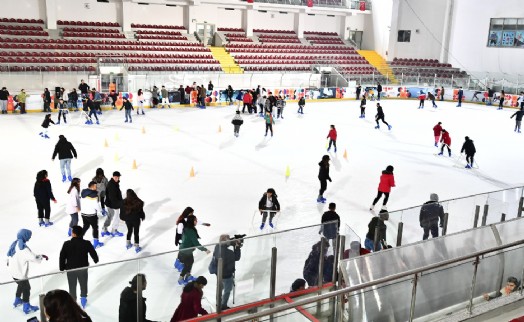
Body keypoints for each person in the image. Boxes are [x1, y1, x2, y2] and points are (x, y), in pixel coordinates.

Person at [7, 229, 48, 314]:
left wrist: (39, 255)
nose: (29, 238)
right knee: (27, 288)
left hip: (13, 272)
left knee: (21, 284)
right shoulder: (23, 248)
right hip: (19, 274)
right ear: (25, 236)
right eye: (29, 236)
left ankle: (17, 300)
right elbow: (33, 258)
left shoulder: (15, 244)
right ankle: (26, 306)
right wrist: (41, 257)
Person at [59, 225, 99, 308]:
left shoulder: (67, 244)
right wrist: (95, 259)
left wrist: (62, 268)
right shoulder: (86, 243)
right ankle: (83, 299)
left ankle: (73, 301)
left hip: (70, 269)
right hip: (82, 268)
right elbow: (93, 253)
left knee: (72, 285)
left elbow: (62, 256)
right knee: (83, 283)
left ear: (73, 234)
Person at [174, 207, 211, 271]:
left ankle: (179, 263)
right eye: (191, 213)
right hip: (181, 238)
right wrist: (184, 236)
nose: (192, 214)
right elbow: (179, 232)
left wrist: (204, 223)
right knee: (182, 251)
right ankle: (179, 264)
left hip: (185, 237)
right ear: (187, 213)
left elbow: (196, 221)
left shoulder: (189, 219)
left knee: (182, 251)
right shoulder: (182, 222)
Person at [177, 215, 210, 285]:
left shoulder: (186, 228)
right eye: (195, 220)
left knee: (190, 262)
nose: (196, 221)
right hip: (186, 251)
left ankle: (188, 276)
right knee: (187, 265)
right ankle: (181, 278)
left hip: (184, 250)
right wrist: (205, 250)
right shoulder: (191, 231)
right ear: (192, 221)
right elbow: (196, 243)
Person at [213, 234, 242, 310]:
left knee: (219, 289)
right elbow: (237, 257)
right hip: (227, 275)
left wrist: (231, 241)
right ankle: (223, 305)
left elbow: (224, 245)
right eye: (229, 240)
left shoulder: (217, 247)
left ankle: (218, 303)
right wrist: (237, 247)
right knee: (227, 290)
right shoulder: (230, 253)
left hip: (219, 274)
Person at [81, 181, 104, 249]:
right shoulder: (94, 195)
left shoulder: (83, 192)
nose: (96, 187)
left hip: (83, 213)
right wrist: (101, 211)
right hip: (91, 214)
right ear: (92, 186)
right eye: (95, 186)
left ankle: (78, 239)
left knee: (86, 226)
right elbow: (96, 205)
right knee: (95, 228)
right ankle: (96, 243)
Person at [103, 171, 124, 237]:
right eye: (115, 177)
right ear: (113, 176)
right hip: (113, 204)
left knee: (110, 216)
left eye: (117, 177)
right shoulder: (112, 185)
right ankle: (114, 230)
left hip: (110, 203)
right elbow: (113, 197)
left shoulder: (114, 183)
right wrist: (118, 205)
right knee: (116, 217)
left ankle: (104, 229)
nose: (116, 178)